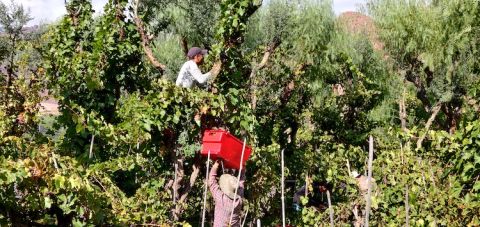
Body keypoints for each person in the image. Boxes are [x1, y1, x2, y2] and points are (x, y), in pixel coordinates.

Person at [208, 160, 245, 227]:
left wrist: (215, 166)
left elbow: (212, 183)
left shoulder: (221, 199)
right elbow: (241, 183)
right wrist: (242, 168)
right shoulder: (239, 199)